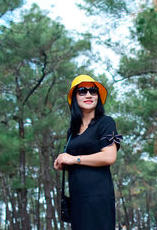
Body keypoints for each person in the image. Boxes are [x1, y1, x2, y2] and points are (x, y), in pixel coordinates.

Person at [54, 74, 122, 229]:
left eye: (93, 91)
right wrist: (63, 162)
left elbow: (110, 156)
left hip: (98, 196)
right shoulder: (71, 132)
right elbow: (73, 159)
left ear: (98, 96)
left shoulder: (106, 122)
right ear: (74, 97)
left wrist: (74, 159)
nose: (89, 95)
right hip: (77, 198)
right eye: (82, 91)